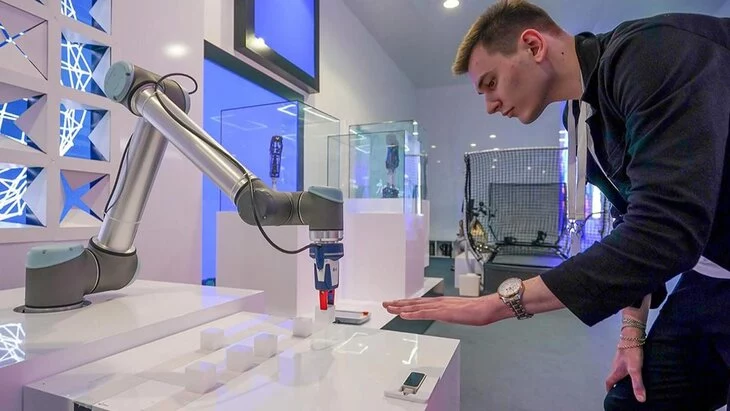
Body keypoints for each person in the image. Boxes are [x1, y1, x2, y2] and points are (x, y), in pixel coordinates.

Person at [382, 1, 730, 409]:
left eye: (491, 83)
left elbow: (665, 230)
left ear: (533, 46)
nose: (490, 105)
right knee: (629, 402)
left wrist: (498, 305)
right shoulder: (578, 118)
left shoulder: (651, 53)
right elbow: (632, 217)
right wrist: (631, 333)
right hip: (710, 276)